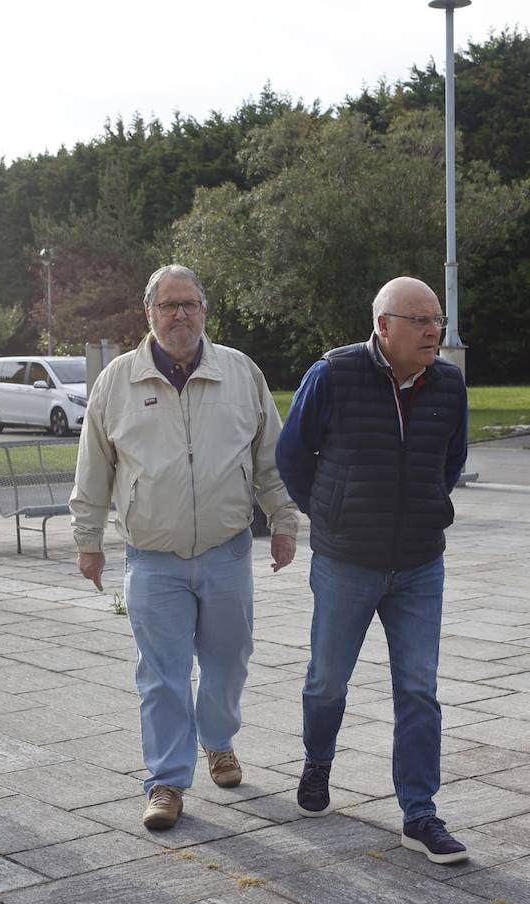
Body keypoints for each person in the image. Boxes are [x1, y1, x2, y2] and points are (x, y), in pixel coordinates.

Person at [70, 264, 298, 830]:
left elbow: (271, 455)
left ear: (204, 311)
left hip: (226, 551)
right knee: (161, 673)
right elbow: (94, 468)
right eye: (168, 305)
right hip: (152, 557)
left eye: (189, 304)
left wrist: (284, 518)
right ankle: (167, 781)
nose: (180, 315)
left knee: (229, 662)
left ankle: (217, 740)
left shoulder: (240, 373)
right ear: (148, 314)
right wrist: (88, 540)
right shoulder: (117, 381)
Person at [276, 277, 470, 865]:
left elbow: (451, 460)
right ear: (384, 326)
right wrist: (330, 516)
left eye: (437, 319)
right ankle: (318, 762)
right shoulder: (333, 374)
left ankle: (419, 813)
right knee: (327, 681)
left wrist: (427, 507)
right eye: (419, 320)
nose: (433, 330)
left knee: (418, 688)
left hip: (418, 564)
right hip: (346, 562)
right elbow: (291, 454)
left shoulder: (449, 385)